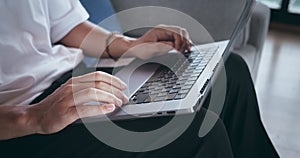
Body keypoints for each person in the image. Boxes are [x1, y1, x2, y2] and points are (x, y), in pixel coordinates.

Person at [0, 0, 279, 158]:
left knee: (229, 70)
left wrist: (128, 45)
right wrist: (32, 116)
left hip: (66, 83)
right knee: (199, 134)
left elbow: (66, 25)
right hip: (21, 126)